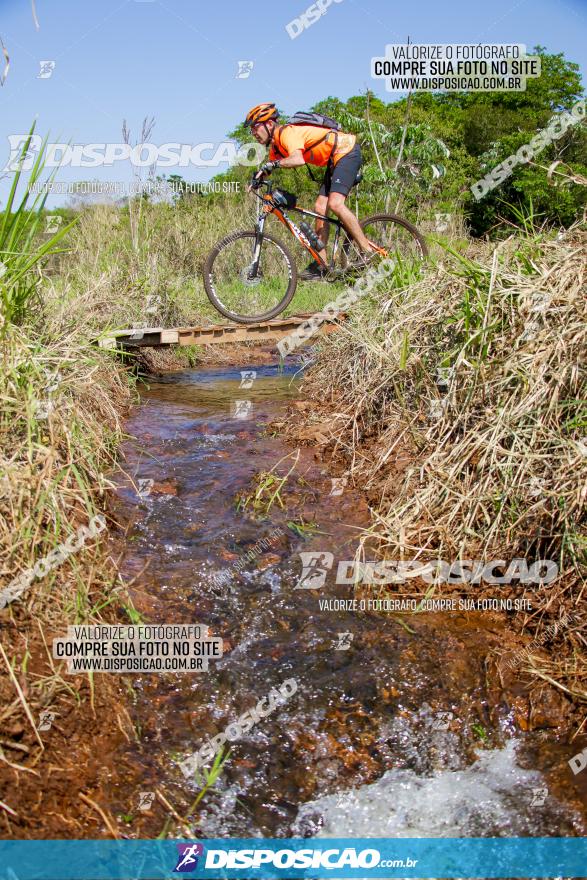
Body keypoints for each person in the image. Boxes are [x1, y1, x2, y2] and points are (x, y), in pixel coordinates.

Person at [245, 102, 377, 280]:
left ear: (269, 124)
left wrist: (273, 164)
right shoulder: (276, 147)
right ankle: (322, 265)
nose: (253, 133)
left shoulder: (287, 133)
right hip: (333, 161)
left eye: (255, 127)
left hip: (346, 151)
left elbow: (297, 159)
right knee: (320, 207)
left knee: (335, 204)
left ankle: (368, 252)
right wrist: (257, 179)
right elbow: (271, 167)